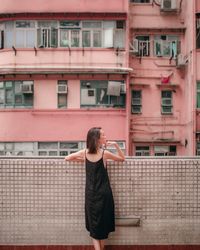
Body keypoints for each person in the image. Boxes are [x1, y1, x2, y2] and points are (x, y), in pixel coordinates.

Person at [65, 127, 125, 250]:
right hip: (104, 194)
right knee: (102, 226)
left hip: (91, 195)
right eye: (103, 135)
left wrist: (84, 161)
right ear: (97, 139)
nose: (105, 137)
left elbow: (68, 157)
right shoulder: (104, 154)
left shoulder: (85, 152)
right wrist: (116, 145)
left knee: (94, 226)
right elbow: (122, 159)